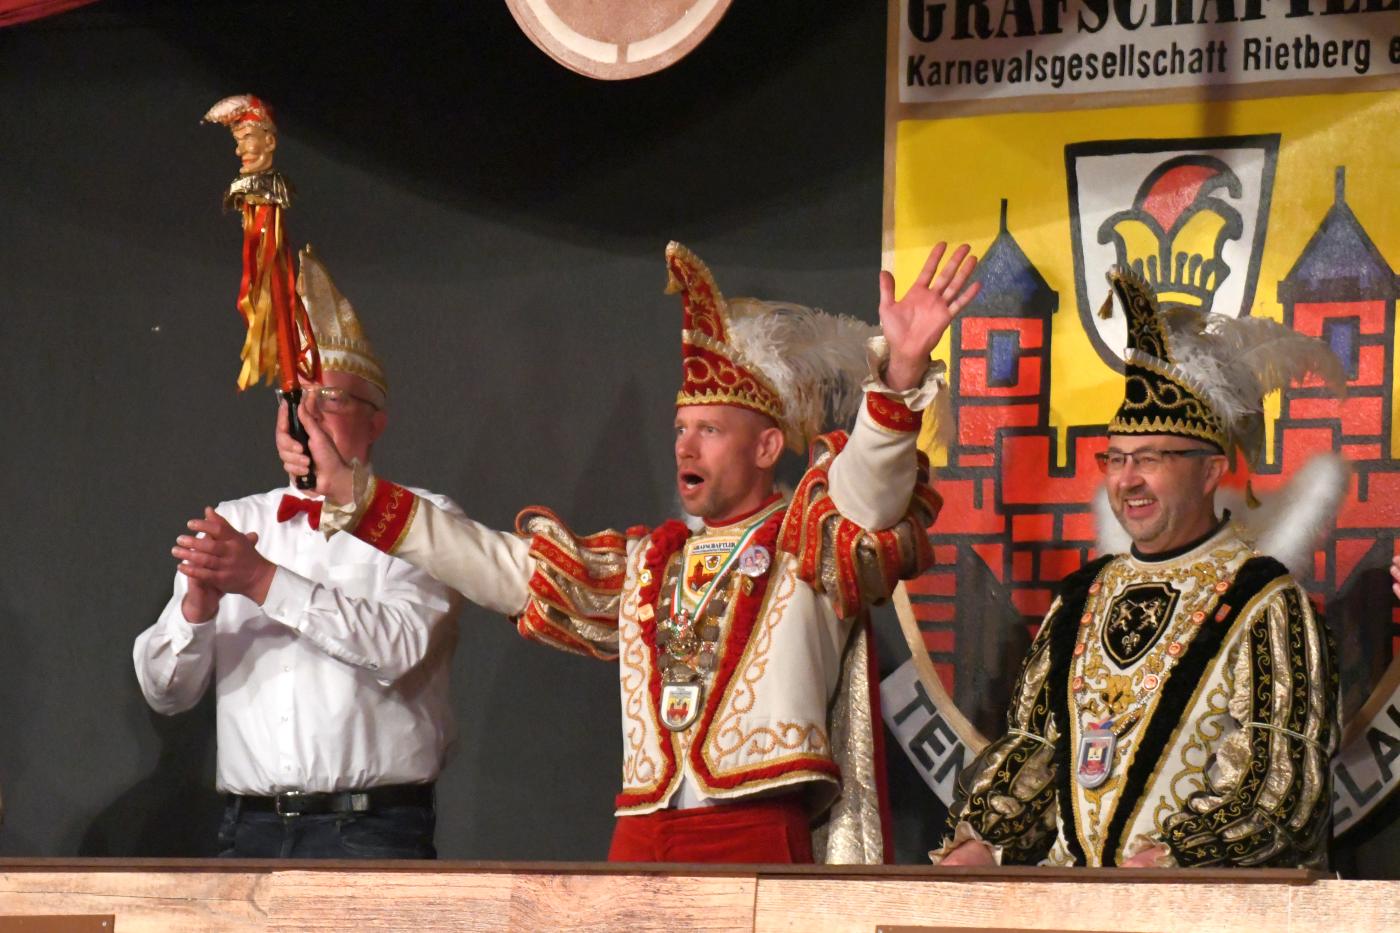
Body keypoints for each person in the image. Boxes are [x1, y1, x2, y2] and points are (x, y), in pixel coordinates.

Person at [279, 240, 980, 864]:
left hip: (756, 835)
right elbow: (505, 569)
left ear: (768, 446)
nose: (685, 446)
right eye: (679, 429)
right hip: (641, 834)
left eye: (709, 430)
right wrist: (358, 496)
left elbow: (868, 498)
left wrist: (900, 374)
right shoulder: (650, 561)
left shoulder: (808, 539)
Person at [933, 267, 1344, 869]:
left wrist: (1167, 864)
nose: (1127, 480)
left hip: (1195, 909)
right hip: (1073, 904)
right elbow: (1034, 747)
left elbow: (1278, 787)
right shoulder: (1081, 597)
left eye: (1151, 459)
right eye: (1117, 459)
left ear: (1210, 471)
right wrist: (979, 846)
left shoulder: (1266, 601)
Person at [134, 248, 463, 859]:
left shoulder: (420, 520)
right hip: (249, 830)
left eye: (330, 400)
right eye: (294, 398)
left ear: (376, 422)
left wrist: (263, 581)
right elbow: (167, 694)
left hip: (371, 832)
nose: (306, 417)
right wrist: (196, 612)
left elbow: (402, 649)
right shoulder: (239, 522)